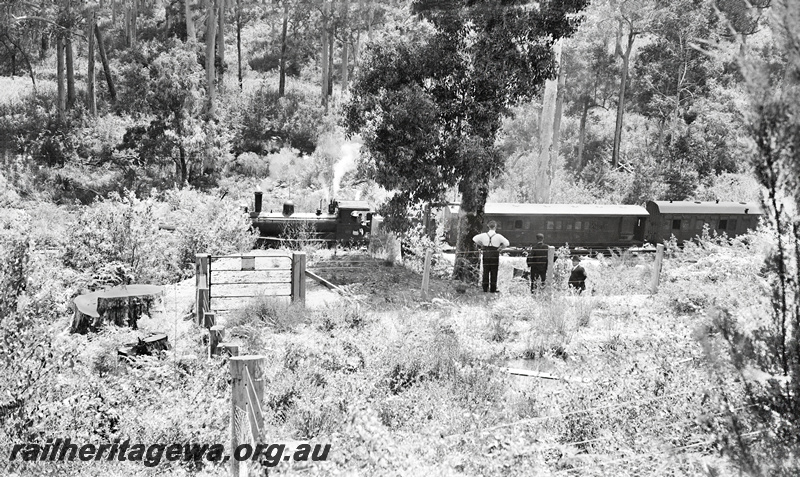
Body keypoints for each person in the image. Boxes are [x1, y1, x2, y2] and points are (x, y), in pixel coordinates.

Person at [473, 221, 509, 293]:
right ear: (495, 227)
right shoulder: (498, 236)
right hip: (495, 253)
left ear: (488, 227)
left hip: (486, 253)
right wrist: (501, 247)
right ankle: (493, 288)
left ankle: (485, 288)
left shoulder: (483, 235)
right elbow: (507, 243)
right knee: (494, 271)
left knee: (485, 271)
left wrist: (481, 245)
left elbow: (474, 239)